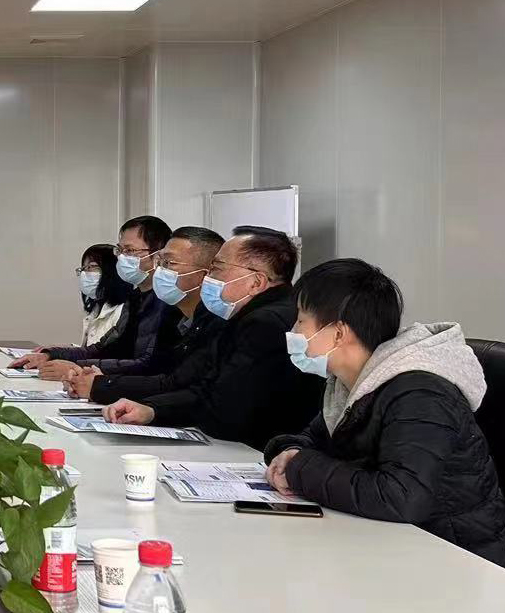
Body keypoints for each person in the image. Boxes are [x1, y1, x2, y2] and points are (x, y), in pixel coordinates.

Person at [264, 259, 505, 565]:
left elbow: (401, 497)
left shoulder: (420, 392)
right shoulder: (350, 383)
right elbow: (312, 440)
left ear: (338, 333)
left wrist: (299, 467)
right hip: (393, 545)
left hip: (457, 557)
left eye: (300, 320)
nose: (293, 330)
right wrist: (290, 452)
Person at [101, 226, 324, 450]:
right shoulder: (245, 315)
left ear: (256, 282)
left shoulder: (265, 323)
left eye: (216, 268)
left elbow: (225, 407)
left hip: (257, 451)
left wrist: (155, 409)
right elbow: (207, 386)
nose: (208, 277)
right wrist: (152, 410)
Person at [67, 226, 226, 406]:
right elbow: (157, 370)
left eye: (169, 263)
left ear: (206, 274)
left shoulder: (217, 324)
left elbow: (176, 384)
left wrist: (101, 384)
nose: (160, 270)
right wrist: (92, 378)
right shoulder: (171, 312)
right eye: (160, 262)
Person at [13, 216, 180, 379]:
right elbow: (105, 349)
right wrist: (51, 355)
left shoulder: (170, 301)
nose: (121, 258)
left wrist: (77, 367)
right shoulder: (136, 298)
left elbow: (149, 365)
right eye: (120, 250)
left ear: (158, 256)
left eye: (130, 251)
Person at [75, 244, 133, 347]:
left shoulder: (124, 311)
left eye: (91, 267)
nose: (84, 273)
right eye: (83, 268)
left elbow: (108, 353)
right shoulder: (95, 310)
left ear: (111, 270)